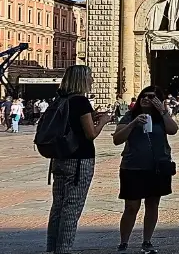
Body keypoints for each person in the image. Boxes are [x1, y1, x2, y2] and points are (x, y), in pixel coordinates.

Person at [45, 65, 113, 254]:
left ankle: (52, 248)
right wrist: (103, 121)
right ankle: (64, 249)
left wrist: (91, 117)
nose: (92, 81)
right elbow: (90, 134)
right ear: (82, 80)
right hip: (79, 160)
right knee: (72, 207)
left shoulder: (60, 100)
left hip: (59, 159)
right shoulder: (81, 102)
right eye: (90, 77)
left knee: (58, 206)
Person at [113, 85, 179, 254]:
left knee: (152, 205)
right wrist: (133, 123)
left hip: (157, 167)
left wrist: (163, 111)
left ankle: (147, 241)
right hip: (133, 167)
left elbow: (173, 130)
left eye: (151, 97)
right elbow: (117, 139)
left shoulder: (161, 118)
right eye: (144, 95)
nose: (146, 99)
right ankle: (123, 242)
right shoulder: (130, 116)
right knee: (131, 206)